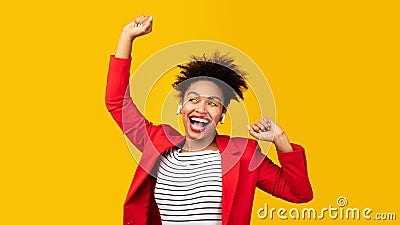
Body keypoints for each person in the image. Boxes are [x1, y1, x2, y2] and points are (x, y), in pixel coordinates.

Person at [105, 15, 313, 225]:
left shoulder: (243, 154)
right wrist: (126, 38)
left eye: (212, 103)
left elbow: (299, 193)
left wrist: (281, 139)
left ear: (222, 114)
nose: (201, 109)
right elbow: (116, 102)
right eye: (193, 99)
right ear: (181, 107)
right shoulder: (157, 142)